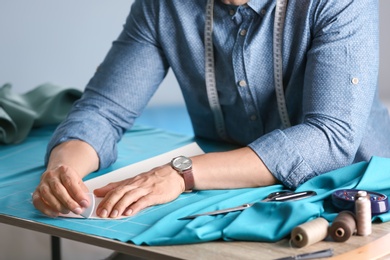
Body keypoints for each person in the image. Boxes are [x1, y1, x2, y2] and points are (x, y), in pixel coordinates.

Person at [33, 0, 390, 219]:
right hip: (222, 187)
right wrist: (62, 172)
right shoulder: (163, 6)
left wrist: (179, 173)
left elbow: (330, 137)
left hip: (353, 193)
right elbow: (103, 111)